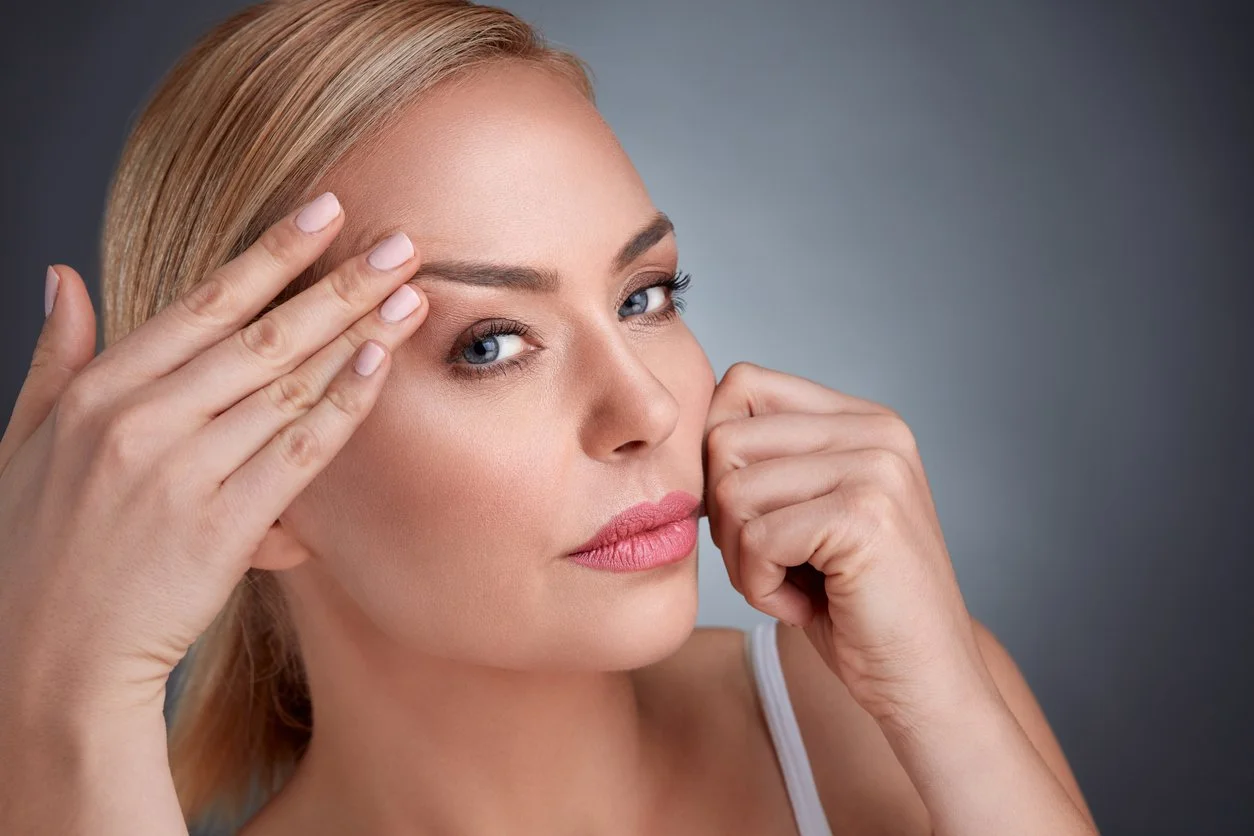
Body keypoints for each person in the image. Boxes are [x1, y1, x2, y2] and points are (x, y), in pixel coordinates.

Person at [0, 1, 1100, 834]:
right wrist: (68, 708)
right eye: (489, 344)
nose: (649, 407)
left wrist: (951, 714)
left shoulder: (880, 721)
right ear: (255, 485)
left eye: (645, 297)